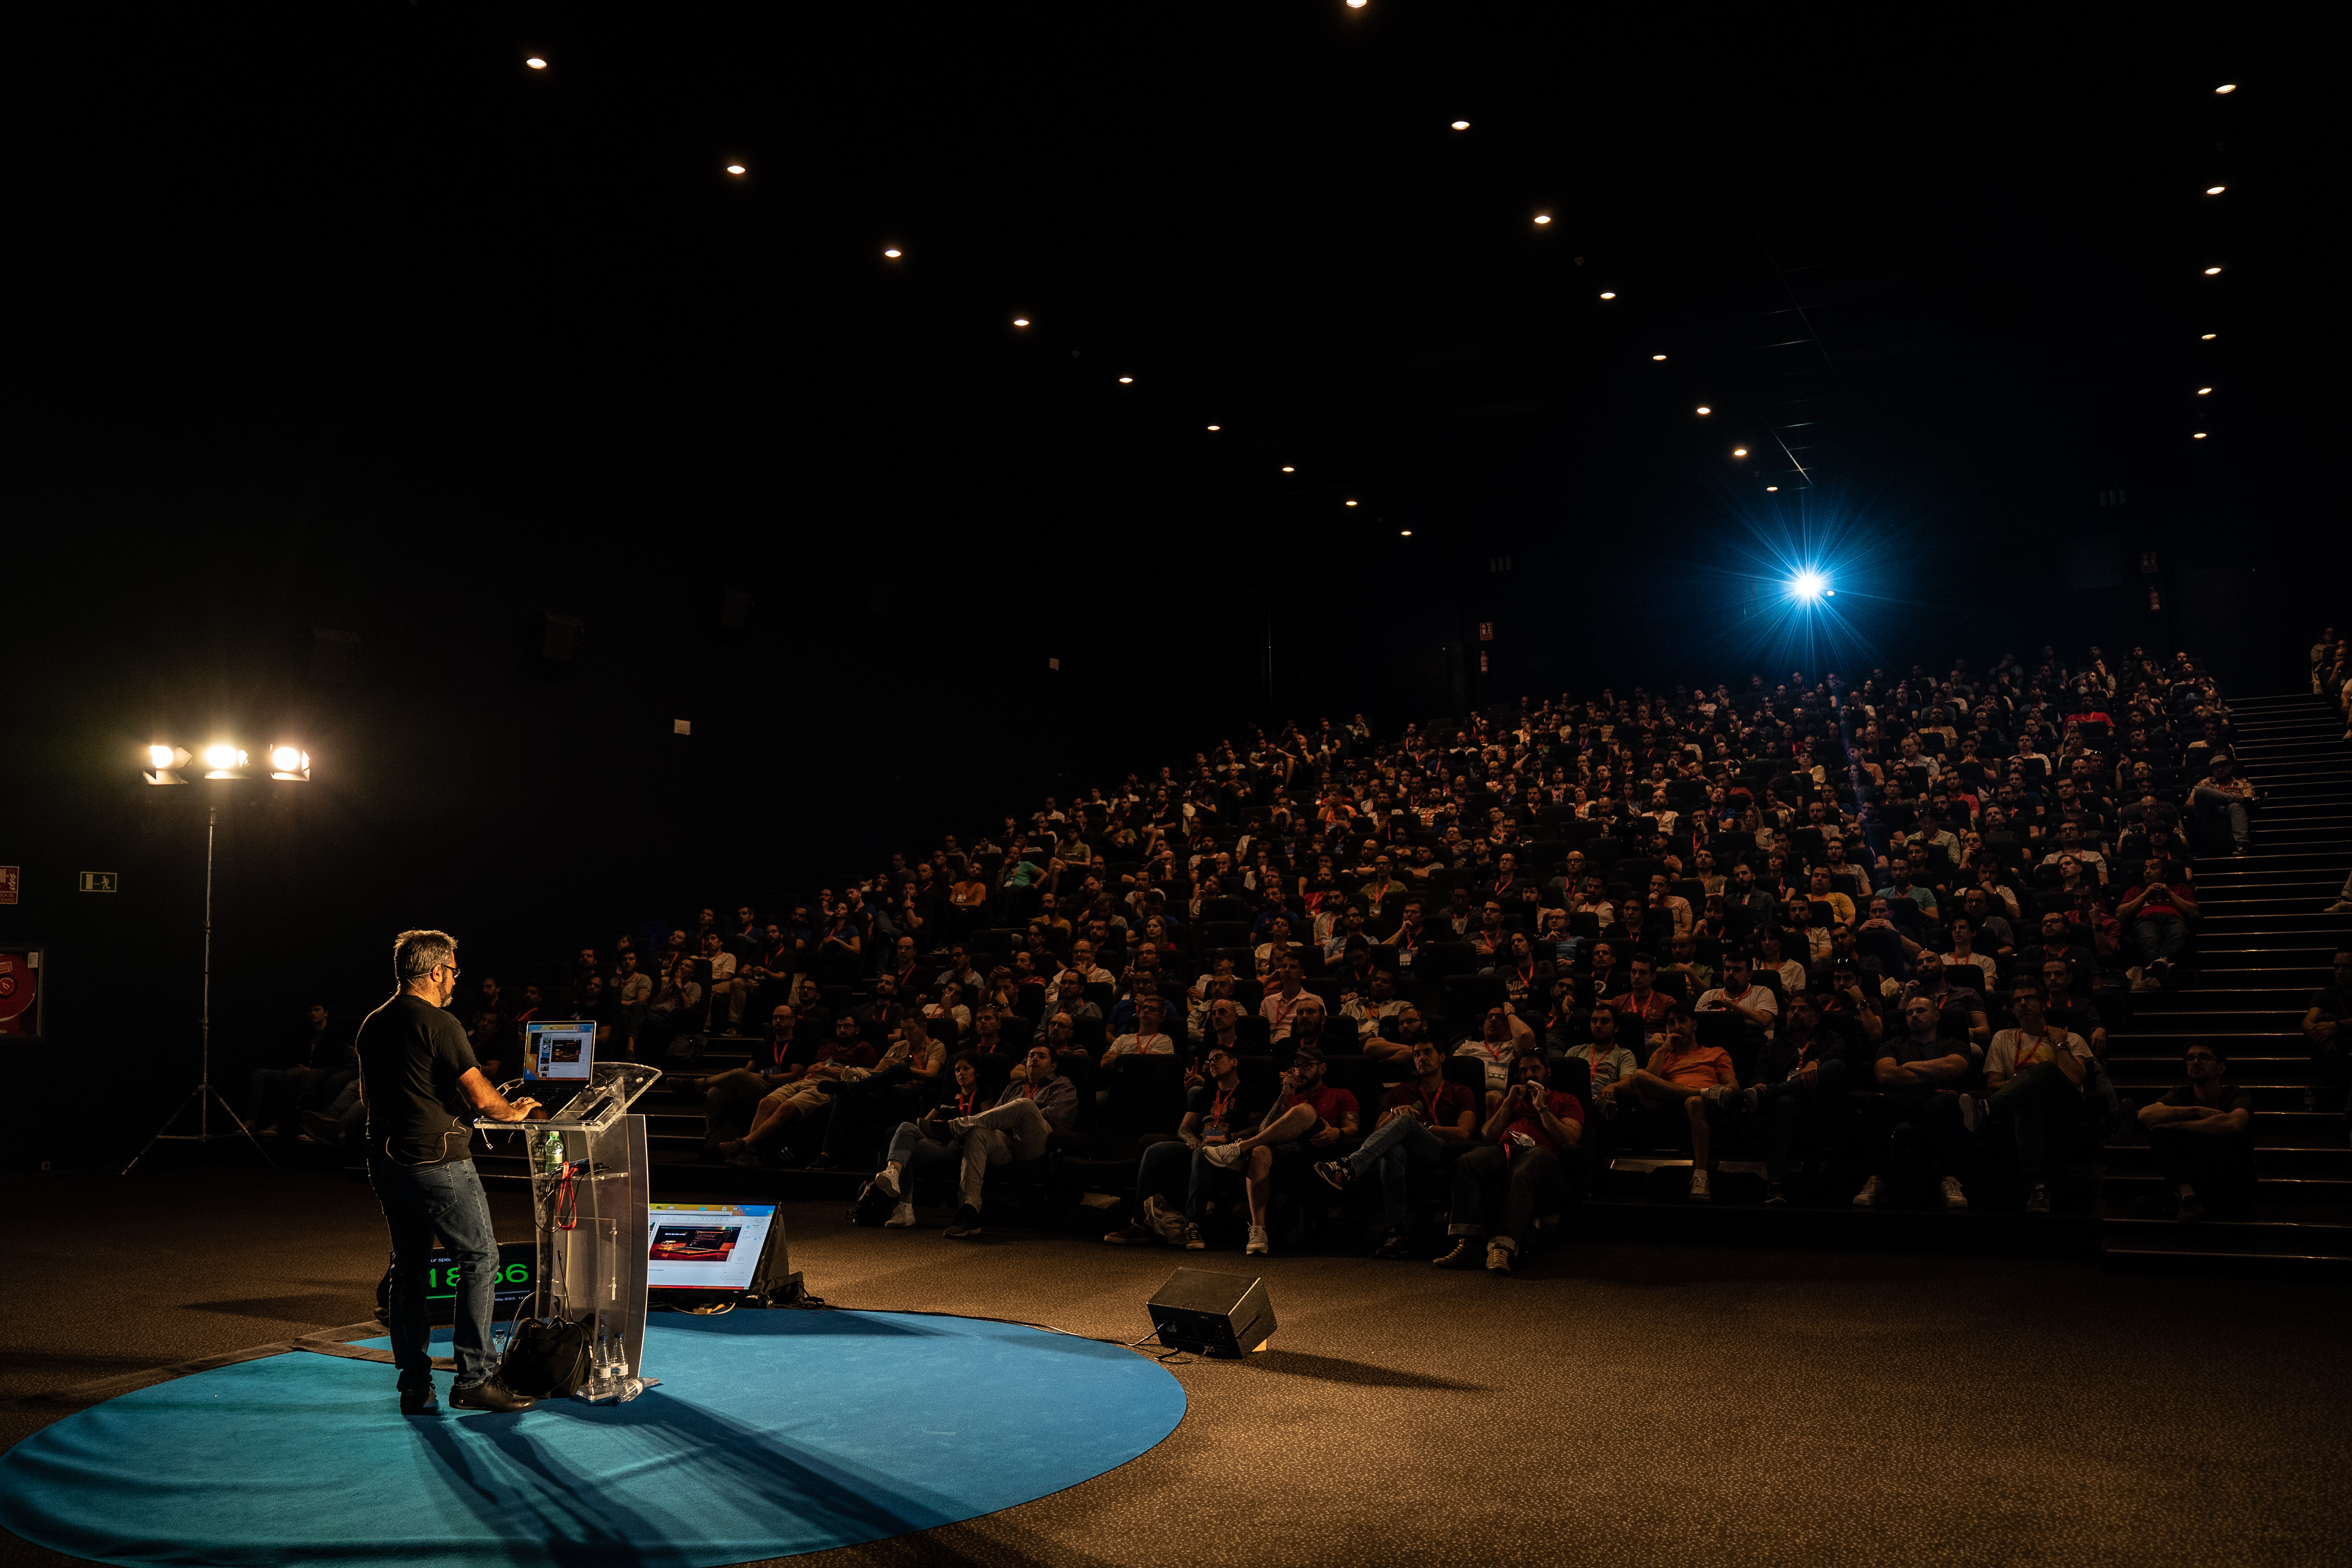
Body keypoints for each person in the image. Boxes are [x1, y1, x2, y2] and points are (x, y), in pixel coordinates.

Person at [358, 930, 539, 1415]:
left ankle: (415, 1387)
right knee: (480, 1258)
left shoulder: (373, 1023)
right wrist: (514, 1111)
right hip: (439, 1163)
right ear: (436, 971)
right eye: (454, 970)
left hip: (387, 1161)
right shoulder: (441, 1023)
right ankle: (477, 1378)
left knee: (409, 1270)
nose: (456, 978)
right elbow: (484, 1099)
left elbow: (368, 1097)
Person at [882, 1042, 1078, 1239]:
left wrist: (1014, 1117)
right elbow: (994, 1118)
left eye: (1041, 1056)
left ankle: (955, 1127)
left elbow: (1052, 1117)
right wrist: (1004, 1120)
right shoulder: (1014, 1087)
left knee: (1025, 1107)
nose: (1034, 1059)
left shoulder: (1062, 1085)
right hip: (1007, 1144)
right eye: (1031, 1056)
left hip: (1037, 1143)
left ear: (1053, 1066)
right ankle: (969, 1213)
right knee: (977, 1133)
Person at [1310, 1038, 1479, 1257]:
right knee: (1392, 1152)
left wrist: (1420, 1127)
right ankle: (1397, 1233)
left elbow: (1464, 1133)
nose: (1422, 1058)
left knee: (1407, 1122)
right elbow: (1377, 1131)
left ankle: (1350, 1166)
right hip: (1405, 1153)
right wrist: (1394, 1114)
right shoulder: (1401, 1091)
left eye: (1428, 1053)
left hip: (1439, 1150)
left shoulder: (1461, 1091)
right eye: (1417, 1055)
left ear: (1442, 1057)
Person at [1103, 1042, 1274, 1249]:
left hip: (1232, 1151)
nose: (1212, 1063)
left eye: (1217, 1058)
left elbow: (1258, 1129)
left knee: (1203, 1152)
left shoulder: (1251, 1091)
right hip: (1201, 1145)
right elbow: (1184, 1128)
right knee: (1155, 1150)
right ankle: (1139, 1223)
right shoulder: (1204, 1094)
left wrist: (1229, 1138)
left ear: (1234, 1062)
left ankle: (1193, 1225)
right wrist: (1190, 1139)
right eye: (1209, 1061)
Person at [1434, 1050, 1583, 1275]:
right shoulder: (1510, 1100)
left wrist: (1542, 1107)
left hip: (1541, 1155)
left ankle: (1503, 1246)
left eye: (1535, 1069)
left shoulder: (1566, 1100)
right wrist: (1509, 1103)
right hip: (1503, 1150)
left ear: (1548, 1072)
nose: (1528, 1074)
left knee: (1523, 1171)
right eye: (1523, 1071)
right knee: (1465, 1162)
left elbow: (1570, 1139)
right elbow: (1487, 1135)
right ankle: (1470, 1243)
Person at [1201, 1045, 1360, 1255]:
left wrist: (1337, 1133)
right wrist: (1284, 1095)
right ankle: (1258, 1231)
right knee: (1260, 1152)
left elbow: (1353, 1129)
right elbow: (1265, 1130)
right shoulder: (1291, 1097)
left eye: (1306, 1066)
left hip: (1322, 1154)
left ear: (1322, 1069)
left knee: (1305, 1111)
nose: (1299, 1071)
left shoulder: (1340, 1094)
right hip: (1291, 1153)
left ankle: (1239, 1149)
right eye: (1295, 1066)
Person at [1855, 995, 1974, 1210]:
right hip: (1902, 1100)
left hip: (1938, 1098)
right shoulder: (1893, 1043)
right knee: (1874, 1103)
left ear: (1937, 1015)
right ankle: (1877, 1179)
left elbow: (1955, 1067)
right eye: (1910, 1013)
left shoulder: (1952, 1043)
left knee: (1950, 1103)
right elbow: (1885, 1074)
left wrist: (1909, 1065)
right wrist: (1935, 1072)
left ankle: (1950, 1179)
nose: (1914, 1016)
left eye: (1921, 1011)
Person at [1984, 977, 2091, 1214]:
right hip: (2025, 1105)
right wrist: (2026, 1085)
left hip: (2066, 1104)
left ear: (2044, 1005)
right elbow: (1993, 1083)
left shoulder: (2071, 1039)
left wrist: (2060, 1047)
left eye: (2029, 998)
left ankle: (1988, 1109)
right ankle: (2039, 1189)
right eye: (2017, 1001)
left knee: (2046, 1069)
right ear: (2013, 1009)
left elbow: (2075, 1081)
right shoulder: (2003, 1038)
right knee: (2029, 1100)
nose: (2023, 1003)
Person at [1612, 1002, 1737, 1200]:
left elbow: (1733, 1088)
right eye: (1671, 1023)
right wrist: (1663, 1049)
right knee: (1638, 1076)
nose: (1677, 1027)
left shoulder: (1716, 1053)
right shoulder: (1663, 1054)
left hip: (1705, 1108)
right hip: (1666, 1106)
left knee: (1694, 1102)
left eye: (1682, 1021)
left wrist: (1709, 1095)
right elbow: (1644, 1083)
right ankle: (1703, 1092)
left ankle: (1700, 1176)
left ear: (1694, 1025)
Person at [1740, 990, 1844, 1205]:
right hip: (1788, 1108)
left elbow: (1841, 1057)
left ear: (1817, 1018)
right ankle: (1776, 1182)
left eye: (1803, 1009)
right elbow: (1760, 1075)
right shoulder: (1773, 1046)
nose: (1795, 1013)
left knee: (1837, 1067)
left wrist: (1816, 1062)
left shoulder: (1831, 1039)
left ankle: (1772, 1092)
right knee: (1784, 1102)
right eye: (1792, 1009)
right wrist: (1759, 1085)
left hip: (1819, 1103)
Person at [2135, 1043, 2255, 1222]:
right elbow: (2146, 1114)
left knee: (2169, 1128)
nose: (2196, 1062)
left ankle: (2194, 1203)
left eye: (2204, 1057)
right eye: (2190, 1058)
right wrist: (2196, 1111)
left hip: (2231, 1181)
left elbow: (2233, 1123)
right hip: (2197, 1179)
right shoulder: (2182, 1094)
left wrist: (2177, 1125)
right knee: (2159, 1133)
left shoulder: (2236, 1095)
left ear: (2221, 1068)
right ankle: (2188, 1196)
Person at [873, 1051, 989, 1228]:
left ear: (978, 1072)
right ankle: (893, 1173)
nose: (961, 1073)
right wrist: (934, 1126)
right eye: (958, 1070)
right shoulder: (948, 1098)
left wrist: (951, 1126)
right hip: (934, 1139)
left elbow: (986, 1124)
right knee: (906, 1127)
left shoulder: (984, 1095)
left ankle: (905, 1209)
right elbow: (923, 1125)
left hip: (954, 1143)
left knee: (905, 1153)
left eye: (966, 1069)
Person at [2117, 856, 2199, 991]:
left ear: (2165, 874)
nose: (2147, 872)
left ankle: (2160, 964)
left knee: (2177, 934)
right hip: (2146, 920)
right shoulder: (2136, 890)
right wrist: (2145, 894)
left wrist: (2169, 893)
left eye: (2153, 868)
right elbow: (2120, 913)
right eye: (2145, 869)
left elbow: (2194, 911)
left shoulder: (2180, 888)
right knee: (2150, 940)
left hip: (2174, 919)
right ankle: (2167, 966)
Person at [2301, 949, 2351, 1111]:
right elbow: (2307, 1022)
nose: (2340, 972)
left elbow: (2336, 1025)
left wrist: (2337, 1026)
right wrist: (2324, 1034)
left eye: (2347, 967)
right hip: (2334, 1058)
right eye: (2336, 967)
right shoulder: (2327, 995)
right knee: (2323, 1020)